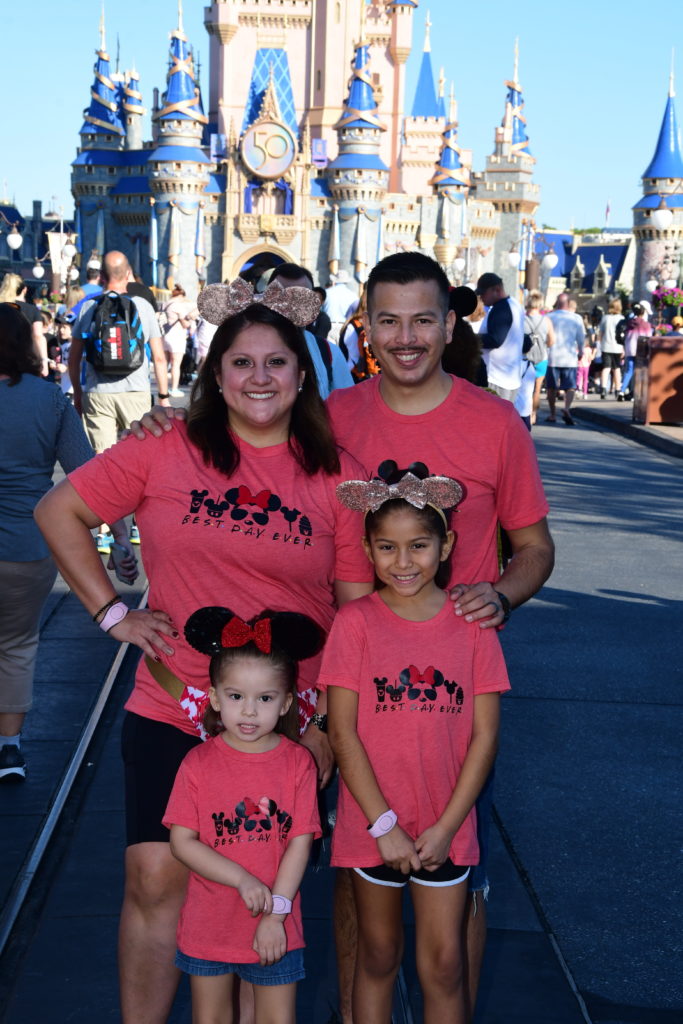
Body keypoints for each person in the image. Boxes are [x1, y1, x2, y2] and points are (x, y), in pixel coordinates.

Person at [127, 251, 554, 1023]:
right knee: (358, 882)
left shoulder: (493, 423)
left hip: (451, 695)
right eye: (387, 319)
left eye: (423, 318)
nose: (406, 336)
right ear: (364, 326)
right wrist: (167, 419)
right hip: (357, 692)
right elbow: (250, 475)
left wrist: (501, 593)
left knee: (455, 898)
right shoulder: (336, 417)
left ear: (450, 323)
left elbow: (535, 548)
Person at [34, 282, 372, 1024]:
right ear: (214, 375)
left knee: (257, 890)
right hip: (173, 699)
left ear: (302, 374)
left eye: (276, 362)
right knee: (155, 875)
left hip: (283, 718)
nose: (259, 377)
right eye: (241, 362)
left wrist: (324, 729)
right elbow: (61, 510)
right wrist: (111, 612)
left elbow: (353, 616)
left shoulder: (336, 475)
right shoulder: (164, 445)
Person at [322, 467, 509, 1023]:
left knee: (445, 962)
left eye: (419, 546)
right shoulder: (354, 624)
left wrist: (449, 826)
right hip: (375, 829)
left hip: (443, 828)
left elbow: (485, 735)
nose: (403, 563)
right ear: (367, 550)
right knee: (377, 955)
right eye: (387, 547)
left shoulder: (473, 627)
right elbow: (342, 731)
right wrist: (385, 827)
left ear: (446, 544)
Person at [164, 605, 322, 1024]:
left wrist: (276, 915)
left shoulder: (298, 764)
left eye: (264, 699)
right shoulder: (197, 764)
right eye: (236, 697)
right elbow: (182, 842)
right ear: (215, 697)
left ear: (286, 702)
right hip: (209, 925)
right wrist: (241, 878)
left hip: (278, 925)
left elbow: (299, 843)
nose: (249, 711)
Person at [0, 303, 135, 782]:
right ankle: (10, 748)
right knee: (16, 643)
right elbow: (87, 474)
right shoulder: (49, 400)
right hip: (26, 547)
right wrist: (121, 538)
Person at [69, 251, 169, 551]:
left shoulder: (88, 307)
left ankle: (103, 532)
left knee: (101, 460)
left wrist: (78, 393)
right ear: (129, 275)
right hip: (135, 392)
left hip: (98, 392)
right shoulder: (142, 306)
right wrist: (163, 397)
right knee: (140, 458)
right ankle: (139, 526)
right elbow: (159, 357)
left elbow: (74, 358)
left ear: (101, 277)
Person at [268, 263, 354, 398]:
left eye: (301, 299)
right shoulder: (242, 349)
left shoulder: (328, 353)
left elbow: (348, 404)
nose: (292, 307)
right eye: (283, 299)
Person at [474, 272, 525, 402]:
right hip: (509, 376)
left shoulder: (501, 309)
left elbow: (495, 340)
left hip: (498, 377)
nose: (481, 297)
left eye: (483, 293)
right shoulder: (514, 304)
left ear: (496, 289)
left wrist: (470, 338)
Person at [546, 293, 585, 425]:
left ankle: (552, 413)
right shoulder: (576, 318)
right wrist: (581, 351)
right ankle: (567, 408)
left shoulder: (549, 317)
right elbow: (581, 337)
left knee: (551, 387)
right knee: (570, 387)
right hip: (569, 357)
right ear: (568, 303)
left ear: (557, 302)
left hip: (552, 356)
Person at [0, 272, 48, 374]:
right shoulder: (32, 310)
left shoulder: (1, 307)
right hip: (24, 360)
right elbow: (38, 336)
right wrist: (44, 362)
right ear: (24, 289)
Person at [521, 290, 555, 426]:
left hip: (525, 358)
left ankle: (526, 413)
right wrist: (544, 345)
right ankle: (534, 414)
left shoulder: (522, 319)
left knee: (525, 389)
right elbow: (552, 340)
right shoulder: (546, 320)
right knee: (537, 389)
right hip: (541, 358)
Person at [161, 284, 197, 398]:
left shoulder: (164, 304)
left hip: (164, 336)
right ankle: (174, 389)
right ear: (181, 296)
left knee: (164, 364)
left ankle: (164, 388)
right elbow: (185, 324)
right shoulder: (177, 306)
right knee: (176, 364)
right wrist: (192, 319)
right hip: (176, 337)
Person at [618, 302, 651, 401]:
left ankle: (622, 391)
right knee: (640, 372)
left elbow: (626, 337)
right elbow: (648, 338)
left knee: (628, 371)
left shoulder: (629, 323)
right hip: (640, 351)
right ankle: (635, 393)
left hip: (629, 350)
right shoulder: (646, 325)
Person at [597, 297, 625, 398]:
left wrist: (598, 345)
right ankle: (617, 389)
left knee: (606, 367)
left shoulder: (605, 318)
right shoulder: (621, 318)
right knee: (617, 368)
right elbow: (623, 334)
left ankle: (603, 389)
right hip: (617, 346)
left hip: (606, 346)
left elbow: (600, 333)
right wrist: (624, 348)